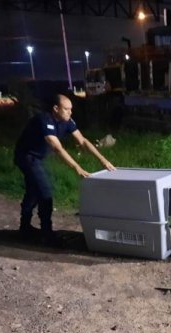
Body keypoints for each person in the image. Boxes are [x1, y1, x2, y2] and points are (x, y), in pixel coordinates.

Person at [14, 93, 116, 246]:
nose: (70, 112)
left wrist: (104, 160)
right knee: (45, 192)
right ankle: (47, 234)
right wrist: (77, 168)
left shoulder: (67, 121)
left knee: (33, 191)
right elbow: (57, 148)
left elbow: (83, 141)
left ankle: (24, 228)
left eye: (71, 109)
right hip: (26, 157)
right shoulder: (44, 120)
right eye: (66, 109)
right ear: (56, 109)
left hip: (37, 158)